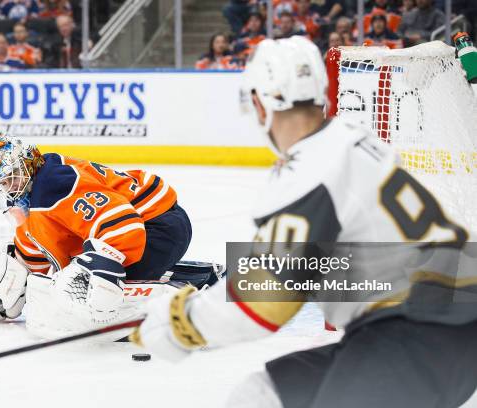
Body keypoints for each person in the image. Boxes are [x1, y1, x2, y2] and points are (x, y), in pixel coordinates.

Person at [131, 36, 477, 408]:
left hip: (416, 337)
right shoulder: (352, 141)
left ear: (263, 103)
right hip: (443, 326)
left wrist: (181, 323)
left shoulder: (310, 170)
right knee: (261, 395)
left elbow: (266, 301)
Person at [0, 136, 216, 338]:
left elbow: (122, 223)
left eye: (12, 176)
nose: (8, 186)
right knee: (81, 277)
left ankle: (196, 292)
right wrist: (20, 276)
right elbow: (39, 235)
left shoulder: (54, 184)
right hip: (154, 225)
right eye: (2, 182)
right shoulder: (41, 183)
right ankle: (204, 276)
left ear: (28, 164)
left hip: (158, 227)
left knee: (89, 285)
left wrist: (102, 271)